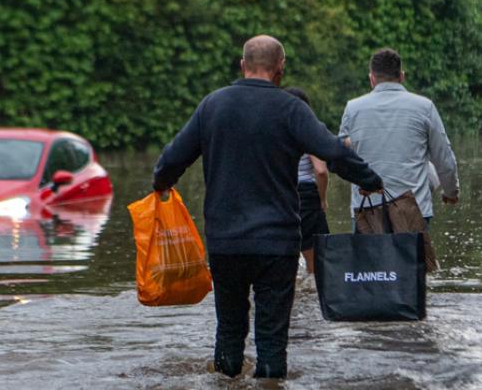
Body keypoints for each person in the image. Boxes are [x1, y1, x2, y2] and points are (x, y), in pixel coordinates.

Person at [153, 35, 383, 379]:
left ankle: (226, 381)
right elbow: (333, 152)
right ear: (280, 69)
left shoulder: (212, 105)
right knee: (272, 342)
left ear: (243, 65)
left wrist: (161, 184)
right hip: (276, 244)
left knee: (229, 334)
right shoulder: (291, 109)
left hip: (225, 243)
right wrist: (368, 179)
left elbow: (172, 159)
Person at [339, 47, 460, 228]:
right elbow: (443, 156)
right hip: (414, 209)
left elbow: (341, 158)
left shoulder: (353, 109)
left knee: (369, 257)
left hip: (367, 210)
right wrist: (451, 191)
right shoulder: (424, 107)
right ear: (402, 76)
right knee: (412, 257)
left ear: (371, 78)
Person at [284, 87, 329, 274]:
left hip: (281, 194)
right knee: (315, 259)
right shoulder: (309, 130)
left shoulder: (275, 130)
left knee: (287, 253)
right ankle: (312, 294)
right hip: (306, 195)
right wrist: (323, 198)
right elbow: (320, 170)